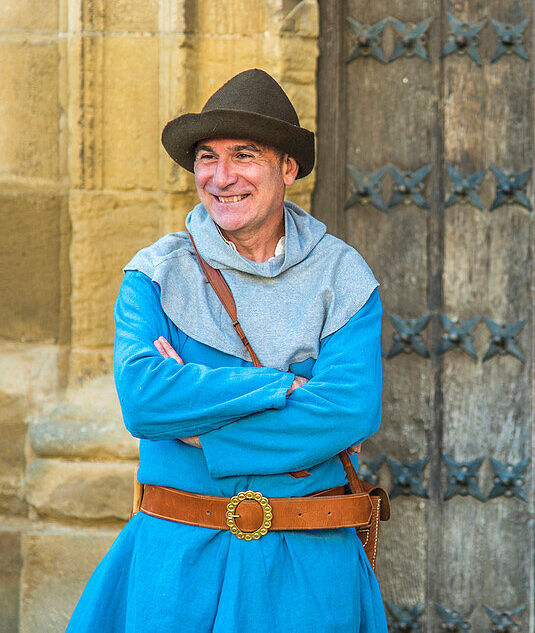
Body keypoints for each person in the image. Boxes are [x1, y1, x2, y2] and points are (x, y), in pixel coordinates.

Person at [68, 69, 387, 631]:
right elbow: (144, 401)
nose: (221, 177)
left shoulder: (343, 275)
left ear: (287, 168)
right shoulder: (155, 273)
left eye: (244, 155)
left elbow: (348, 411)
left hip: (307, 562)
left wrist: (196, 427)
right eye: (207, 159)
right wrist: (280, 388)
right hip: (177, 563)